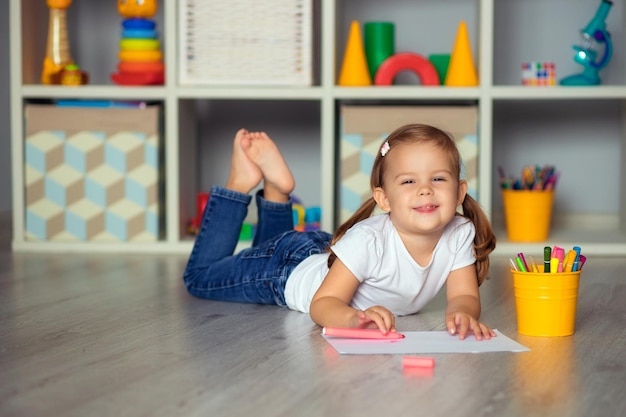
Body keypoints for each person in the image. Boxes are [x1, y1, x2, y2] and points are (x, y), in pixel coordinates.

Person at [183, 124, 497, 340]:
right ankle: (238, 185)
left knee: (268, 246)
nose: (425, 190)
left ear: (459, 192)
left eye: (439, 179)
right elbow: (324, 303)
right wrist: (352, 319)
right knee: (199, 276)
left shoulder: (459, 232)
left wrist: (463, 314)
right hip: (285, 273)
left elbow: (464, 295)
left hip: (325, 253)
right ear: (383, 199)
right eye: (409, 181)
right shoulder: (369, 240)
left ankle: (277, 192)